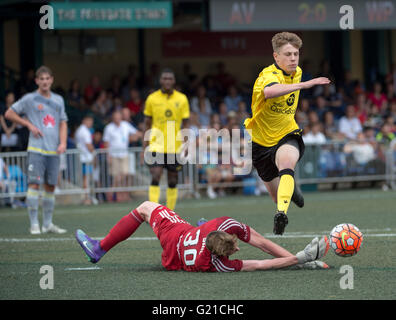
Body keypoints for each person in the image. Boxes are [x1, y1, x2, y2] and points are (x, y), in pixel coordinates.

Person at [75, 201, 330, 272]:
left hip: (180, 237)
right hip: (176, 253)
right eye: (235, 249)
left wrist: (303, 260)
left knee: (145, 207)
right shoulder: (217, 264)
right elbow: (263, 256)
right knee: (151, 209)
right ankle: (97, 249)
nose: (238, 249)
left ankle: (101, 248)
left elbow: (263, 250)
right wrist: (302, 259)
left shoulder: (221, 226)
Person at [244, 32, 330, 235]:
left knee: (287, 164)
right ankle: (291, 191)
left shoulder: (296, 71)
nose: (293, 59)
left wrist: (300, 82)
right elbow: (270, 92)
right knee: (276, 194)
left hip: (287, 133)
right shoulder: (267, 76)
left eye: (296, 54)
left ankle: (281, 214)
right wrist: (305, 85)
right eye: (288, 54)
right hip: (261, 142)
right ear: (276, 56)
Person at [5, 65, 68, 235]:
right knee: (34, 184)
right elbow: (9, 113)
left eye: (48, 78)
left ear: (52, 80)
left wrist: (62, 142)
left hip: (53, 150)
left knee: (50, 187)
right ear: (37, 81)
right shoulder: (29, 99)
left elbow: (63, 122)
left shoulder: (58, 100)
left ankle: (47, 224)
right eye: (42, 79)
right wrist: (28, 124)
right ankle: (34, 224)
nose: (45, 81)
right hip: (36, 149)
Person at [141, 68, 190, 210]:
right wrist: (145, 144)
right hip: (157, 144)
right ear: (160, 81)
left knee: (173, 180)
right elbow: (147, 122)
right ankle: (153, 211)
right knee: (156, 175)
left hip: (175, 146)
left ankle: (170, 213)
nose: (167, 81)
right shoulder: (152, 98)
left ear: (174, 81)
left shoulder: (182, 99)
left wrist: (186, 144)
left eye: (170, 79)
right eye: (165, 78)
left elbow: (186, 123)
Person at [103, 110, 140, 202]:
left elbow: (138, 134)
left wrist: (131, 138)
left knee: (124, 174)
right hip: (114, 155)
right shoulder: (109, 128)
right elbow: (106, 142)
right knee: (117, 176)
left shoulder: (125, 125)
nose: (117, 119)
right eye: (115, 118)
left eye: (119, 117)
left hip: (124, 154)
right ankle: (116, 195)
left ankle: (115, 193)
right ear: (113, 118)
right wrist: (108, 155)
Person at [75, 114, 95, 205]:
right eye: (89, 121)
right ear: (84, 121)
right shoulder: (84, 131)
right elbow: (88, 145)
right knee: (86, 179)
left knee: (86, 178)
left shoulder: (81, 130)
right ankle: (86, 198)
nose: (90, 123)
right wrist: (95, 154)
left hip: (83, 158)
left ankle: (87, 197)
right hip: (85, 158)